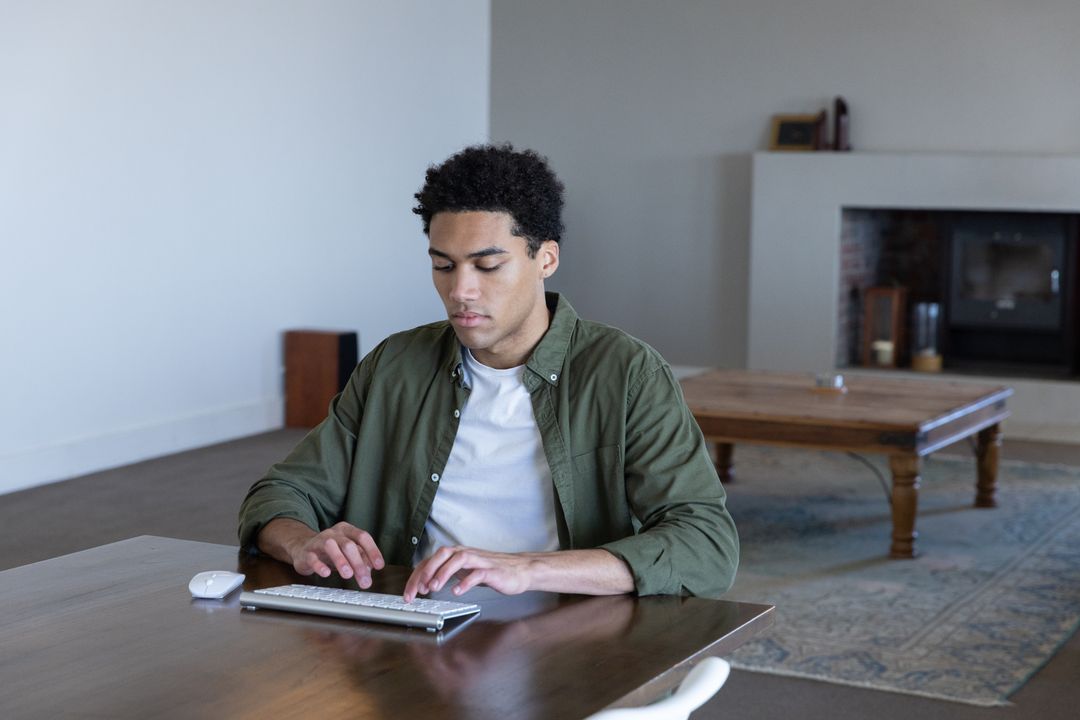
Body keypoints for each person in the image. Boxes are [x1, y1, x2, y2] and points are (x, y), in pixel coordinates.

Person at [238, 144, 738, 601]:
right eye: (444, 265)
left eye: (487, 266)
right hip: (413, 630)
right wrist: (302, 541)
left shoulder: (627, 373)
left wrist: (529, 569)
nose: (461, 291)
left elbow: (704, 542)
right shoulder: (395, 366)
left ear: (545, 258)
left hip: (568, 634)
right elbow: (281, 494)